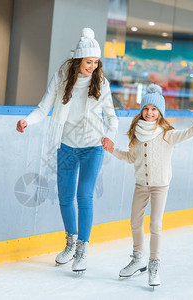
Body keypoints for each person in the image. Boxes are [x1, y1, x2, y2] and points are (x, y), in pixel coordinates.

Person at [16, 28, 118, 274]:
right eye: (88, 62)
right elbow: (43, 108)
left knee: (84, 196)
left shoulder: (101, 83)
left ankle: (83, 248)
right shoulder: (62, 78)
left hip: (92, 146)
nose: (92, 66)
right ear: (78, 60)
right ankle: (70, 243)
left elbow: (112, 117)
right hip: (66, 145)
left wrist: (109, 137)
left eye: (96, 62)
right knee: (64, 197)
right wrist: (26, 121)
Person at [103, 84, 193, 287]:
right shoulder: (136, 134)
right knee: (135, 222)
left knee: (155, 225)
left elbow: (189, 133)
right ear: (141, 110)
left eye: (154, 109)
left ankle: (154, 264)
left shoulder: (166, 134)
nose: (149, 113)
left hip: (160, 186)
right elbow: (130, 157)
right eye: (146, 109)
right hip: (141, 185)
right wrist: (112, 150)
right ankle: (138, 259)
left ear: (160, 112)